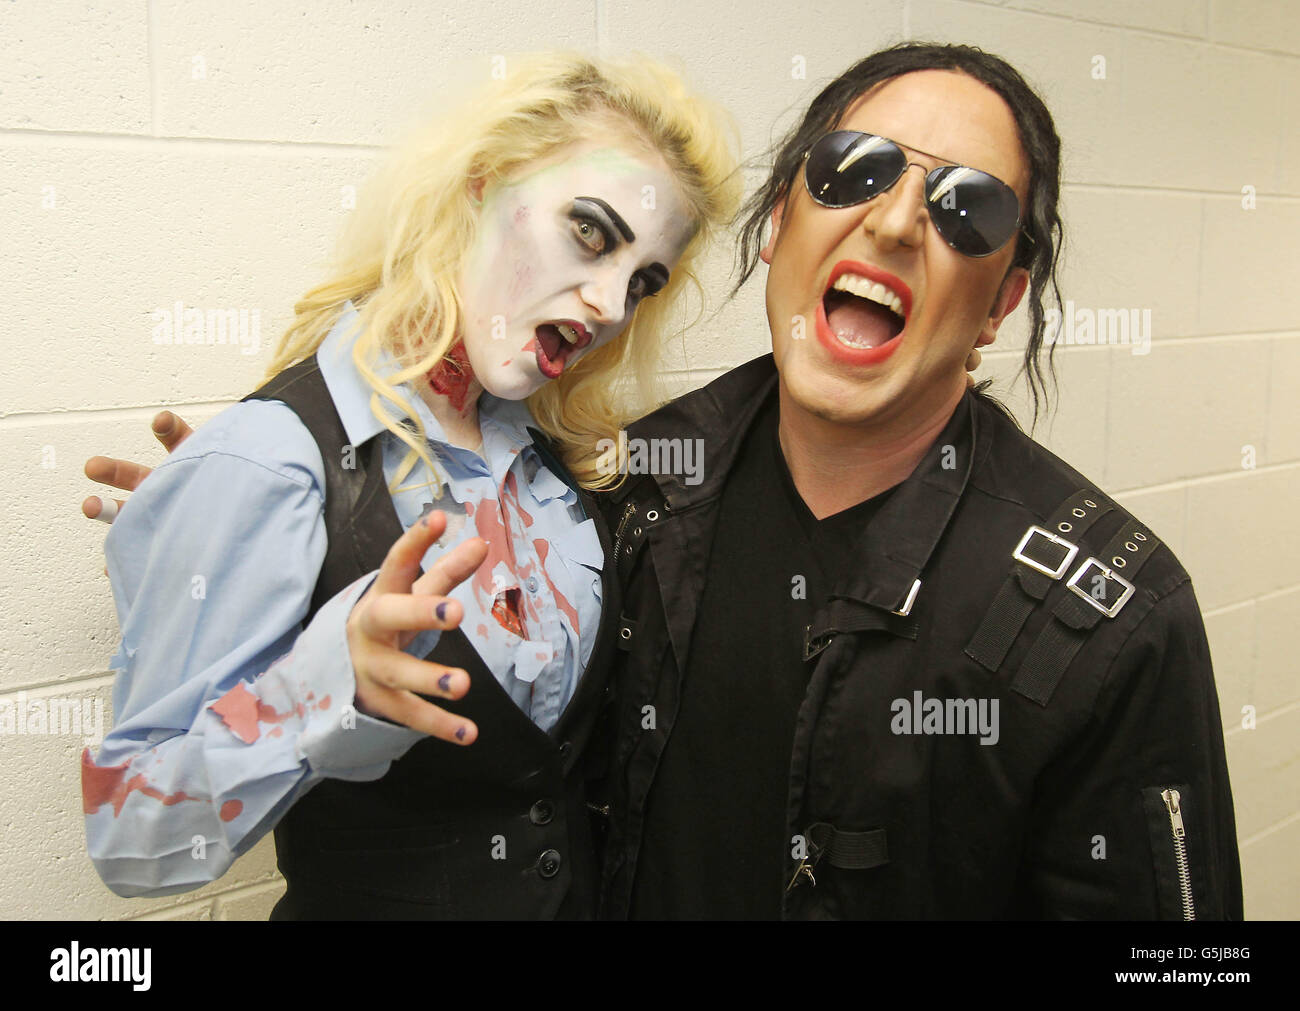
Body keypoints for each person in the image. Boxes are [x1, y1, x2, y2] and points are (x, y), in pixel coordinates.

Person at [78, 51, 740, 920]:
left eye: (644, 280)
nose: (613, 303)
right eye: (590, 231)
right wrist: (320, 684)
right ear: (481, 187)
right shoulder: (274, 458)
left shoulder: (559, 465)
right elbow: (129, 836)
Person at [594, 43, 1243, 919]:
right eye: (853, 169)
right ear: (780, 221)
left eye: (966, 208)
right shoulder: (628, 487)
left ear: (1001, 303)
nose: (897, 222)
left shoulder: (1113, 619)